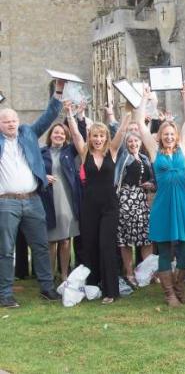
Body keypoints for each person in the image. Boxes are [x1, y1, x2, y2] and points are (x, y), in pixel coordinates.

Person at [0, 86, 64, 308]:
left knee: (41, 246)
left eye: (13, 120)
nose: (11, 124)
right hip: (6, 202)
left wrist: (58, 93)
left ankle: (47, 288)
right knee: (6, 249)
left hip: (33, 199)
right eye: (6, 121)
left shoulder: (27, 133)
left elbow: (49, 117)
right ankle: (5, 294)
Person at [137, 85, 185, 307]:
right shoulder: (153, 150)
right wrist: (144, 98)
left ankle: (179, 285)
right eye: (165, 134)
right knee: (163, 251)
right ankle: (169, 293)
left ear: (177, 136)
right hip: (163, 205)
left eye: (172, 133)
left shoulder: (182, 148)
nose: (169, 136)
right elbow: (141, 125)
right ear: (160, 136)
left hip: (181, 203)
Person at [65, 102, 126, 304]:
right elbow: (74, 134)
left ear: (106, 138)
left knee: (107, 245)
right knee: (89, 246)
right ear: (90, 137)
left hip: (109, 205)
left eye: (102, 136)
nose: (98, 139)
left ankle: (111, 291)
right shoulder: (84, 152)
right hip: (89, 206)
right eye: (95, 135)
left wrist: (128, 113)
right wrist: (70, 114)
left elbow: (122, 131)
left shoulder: (113, 151)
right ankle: (91, 285)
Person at [40, 122, 81, 282]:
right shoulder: (41, 152)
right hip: (49, 200)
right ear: (50, 135)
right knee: (51, 241)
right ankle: (49, 276)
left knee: (65, 240)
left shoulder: (70, 151)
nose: (59, 135)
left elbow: (79, 136)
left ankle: (64, 274)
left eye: (63, 134)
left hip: (67, 201)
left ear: (66, 137)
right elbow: (33, 172)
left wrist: (76, 117)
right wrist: (43, 178)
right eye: (56, 133)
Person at [115, 132, 155, 288]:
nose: (133, 143)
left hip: (141, 200)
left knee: (146, 238)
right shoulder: (124, 158)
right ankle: (129, 273)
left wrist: (151, 184)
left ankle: (147, 272)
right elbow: (116, 179)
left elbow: (152, 178)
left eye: (136, 140)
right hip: (126, 199)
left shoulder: (145, 158)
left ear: (140, 142)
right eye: (130, 141)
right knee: (126, 239)